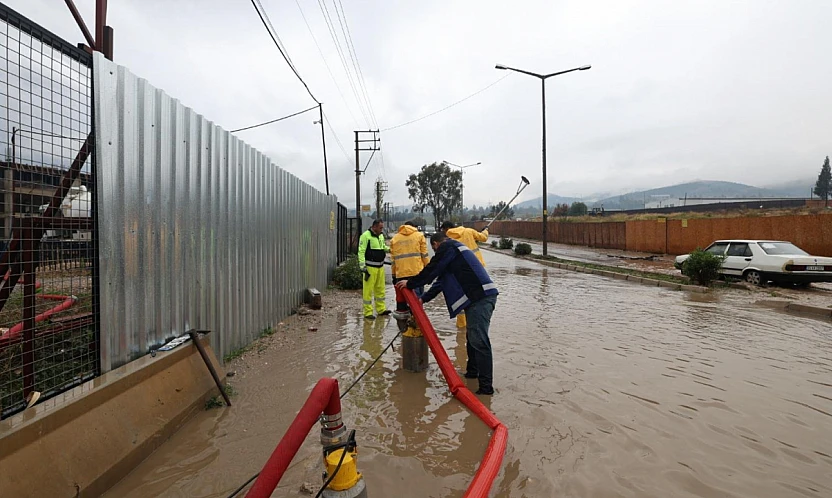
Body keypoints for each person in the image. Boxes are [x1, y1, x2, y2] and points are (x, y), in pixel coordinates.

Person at [395, 232, 499, 395]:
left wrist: (411, 282)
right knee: (472, 338)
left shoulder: (448, 246)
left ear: (436, 244)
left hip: (481, 298)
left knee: (479, 341)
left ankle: (486, 388)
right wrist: (422, 299)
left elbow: (432, 269)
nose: (436, 252)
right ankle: (472, 373)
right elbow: (440, 282)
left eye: (434, 249)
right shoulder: (454, 252)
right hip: (479, 298)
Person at [440, 221, 489, 327]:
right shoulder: (468, 231)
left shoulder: (446, 240)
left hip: (459, 273)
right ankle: (476, 323)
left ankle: (461, 326)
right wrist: (485, 230)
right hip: (477, 269)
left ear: (446, 229)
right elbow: (483, 238)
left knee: (462, 297)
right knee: (478, 297)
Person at [389, 221, 429, 318]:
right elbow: (425, 255)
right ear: (413, 227)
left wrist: (394, 275)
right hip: (417, 273)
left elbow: (393, 260)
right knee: (417, 300)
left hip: (401, 274)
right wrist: (428, 271)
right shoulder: (419, 236)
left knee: (402, 300)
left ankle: (404, 325)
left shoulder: (395, 239)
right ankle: (416, 323)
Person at [358, 219, 391, 319]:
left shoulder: (380, 236)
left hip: (380, 267)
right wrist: (363, 267)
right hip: (370, 268)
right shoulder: (365, 236)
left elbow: (383, 247)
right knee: (368, 291)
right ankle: (368, 312)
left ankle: (381, 309)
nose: (382, 230)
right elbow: (361, 251)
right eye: (380, 228)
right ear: (375, 227)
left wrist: (390, 249)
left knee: (380, 289)